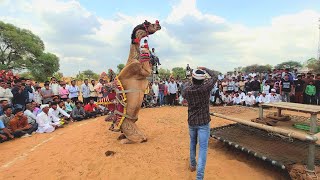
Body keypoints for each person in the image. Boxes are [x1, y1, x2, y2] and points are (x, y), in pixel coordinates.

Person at [182, 67, 215, 180]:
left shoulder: (187, 90)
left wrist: (190, 79)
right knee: (203, 148)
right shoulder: (205, 88)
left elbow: (185, 87)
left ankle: (192, 164)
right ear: (202, 80)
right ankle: (199, 177)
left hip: (192, 121)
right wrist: (206, 69)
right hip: (204, 122)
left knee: (192, 142)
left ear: (193, 78)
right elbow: (215, 76)